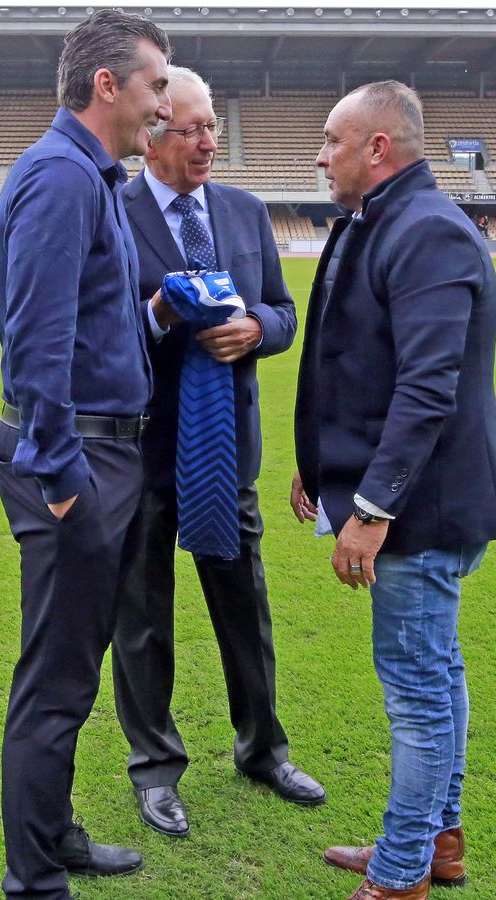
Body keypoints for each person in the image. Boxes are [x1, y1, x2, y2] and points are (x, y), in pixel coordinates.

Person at [295, 80, 496, 900]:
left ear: (377, 148)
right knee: (438, 675)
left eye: (332, 141)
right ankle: (436, 842)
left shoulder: (425, 231)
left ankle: (400, 875)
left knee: (418, 692)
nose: (322, 157)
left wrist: (371, 508)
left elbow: (428, 388)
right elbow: (363, 363)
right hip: (414, 497)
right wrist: (320, 461)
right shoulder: (385, 220)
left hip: (421, 509)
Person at [0, 10, 170, 898]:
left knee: (74, 667)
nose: (162, 106)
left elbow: (94, 325)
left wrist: (157, 318)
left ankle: (53, 835)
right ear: (107, 85)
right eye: (155, 86)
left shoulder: (89, 176)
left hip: (103, 455)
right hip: (77, 462)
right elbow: (37, 342)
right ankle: (35, 880)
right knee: (55, 681)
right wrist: (63, 483)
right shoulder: (63, 177)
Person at [112, 65, 322, 840]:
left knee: (244, 611)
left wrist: (257, 329)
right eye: (192, 130)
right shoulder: (112, 212)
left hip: (226, 451)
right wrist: (157, 314)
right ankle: (155, 768)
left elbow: (285, 310)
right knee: (143, 620)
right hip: (141, 453)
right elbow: (96, 330)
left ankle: (263, 751)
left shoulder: (244, 209)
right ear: (151, 137)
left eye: (213, 129)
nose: (208, 144)